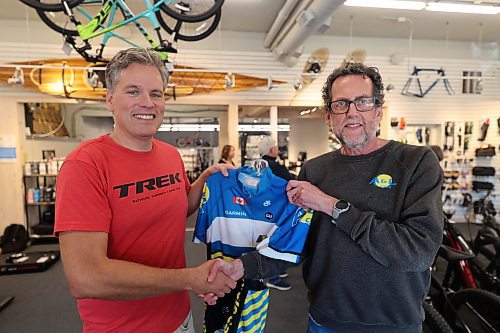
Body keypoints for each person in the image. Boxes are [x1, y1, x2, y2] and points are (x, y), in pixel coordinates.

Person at [209, 63, 444, 333]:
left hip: (392, 324)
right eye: (341, 104)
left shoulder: (416, 162)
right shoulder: (315, 170)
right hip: (325, 321)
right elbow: (297, 244)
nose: (352, 112)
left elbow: (417, 253)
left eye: (363, 102)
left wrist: (332, 206)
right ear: (329, 117)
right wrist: (242, 266)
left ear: (378, 111)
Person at [54, 48, 237, 333]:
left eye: (156, 93)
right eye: (133, 91)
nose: (147, 103)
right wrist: (189, 279)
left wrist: (204, 180)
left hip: (179, 317)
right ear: (110, 100)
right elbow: (85, 277)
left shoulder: (169, 154)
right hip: (121, 327)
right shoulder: (85, 164)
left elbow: (178, 207)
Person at [257, 136, 295, 291]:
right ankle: (272, 276)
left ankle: (273, 271)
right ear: (271, 150)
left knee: (264, 240)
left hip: (260, 209)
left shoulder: (258, 164)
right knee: (276, 241)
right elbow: (291, 182)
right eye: (276, 148)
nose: (278, 150)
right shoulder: (275, 167)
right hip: (277, 210)